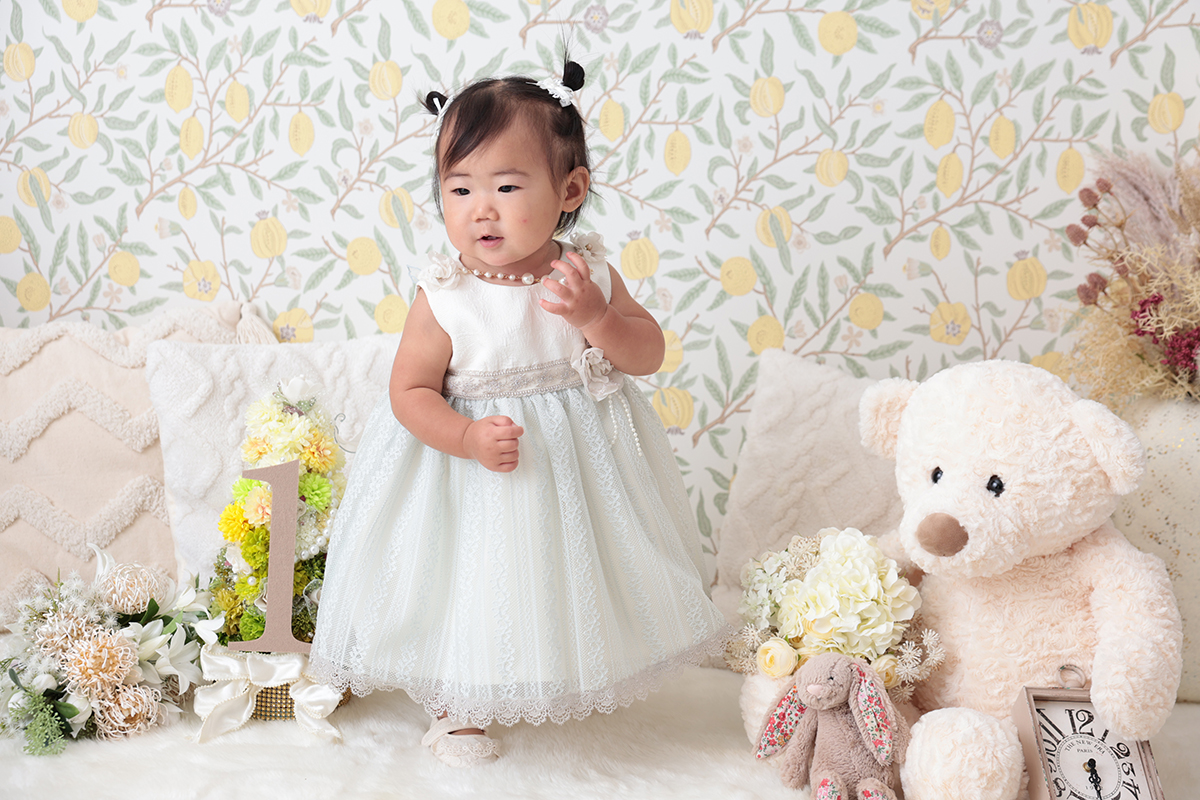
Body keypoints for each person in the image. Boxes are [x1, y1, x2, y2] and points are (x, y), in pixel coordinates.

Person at [308, 56, 730, 768]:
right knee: (469, 580)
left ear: (570, 190)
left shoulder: (587, 276)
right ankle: (457, 705)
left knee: (566, 573)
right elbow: (409, 393)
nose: (482, 208)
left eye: (506, 186)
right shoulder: (446, 293)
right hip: (468, 475)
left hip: (577, 474)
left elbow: (647, 353)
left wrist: (597, 318)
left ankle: (566, 670)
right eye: (459, 188)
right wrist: (466, 434)